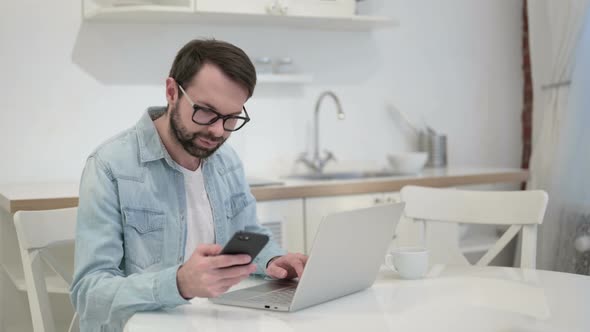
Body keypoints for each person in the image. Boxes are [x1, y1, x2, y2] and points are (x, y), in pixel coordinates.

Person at [70, 39, 308, 332]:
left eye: (231, 118)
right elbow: (89, 294)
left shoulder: (226, 160)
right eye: (206, 111)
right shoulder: (110, 166)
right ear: (172, 92)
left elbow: (250, 238)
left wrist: (275, 259)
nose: (218, 130)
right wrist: (179, 283)